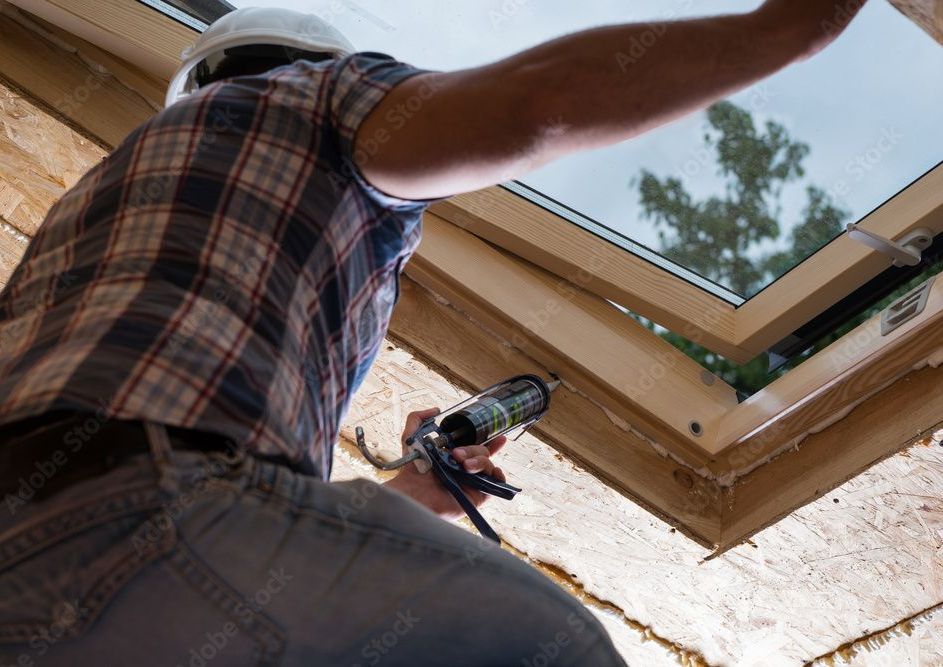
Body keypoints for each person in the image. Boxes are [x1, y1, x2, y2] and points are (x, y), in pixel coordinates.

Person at [0, 2, 866, 664]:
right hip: (136, 518)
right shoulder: (310, 99)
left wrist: (414, 502)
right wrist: (788, 29)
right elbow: (540, 110)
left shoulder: (88, 214)